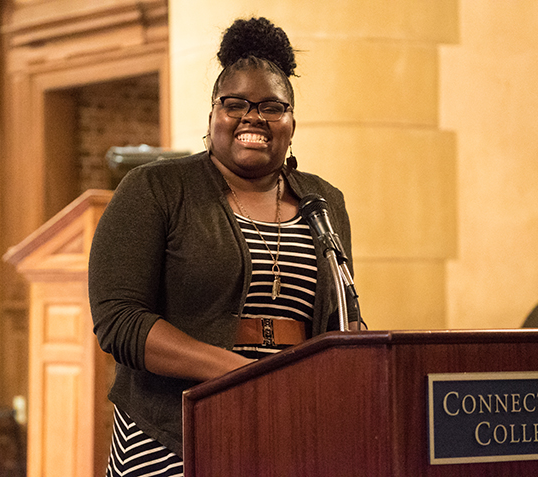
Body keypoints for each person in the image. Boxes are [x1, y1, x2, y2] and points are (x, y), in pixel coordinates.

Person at [88, 17, 362, 477]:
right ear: (213, 113)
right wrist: (243, 375)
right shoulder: (156, 188)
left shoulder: (323, 200)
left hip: (289, 426)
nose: (253, 117)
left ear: (292, 123)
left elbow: (340, 313)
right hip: (170, 433)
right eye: (235, 104)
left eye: (273, 107)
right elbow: (120, 322)